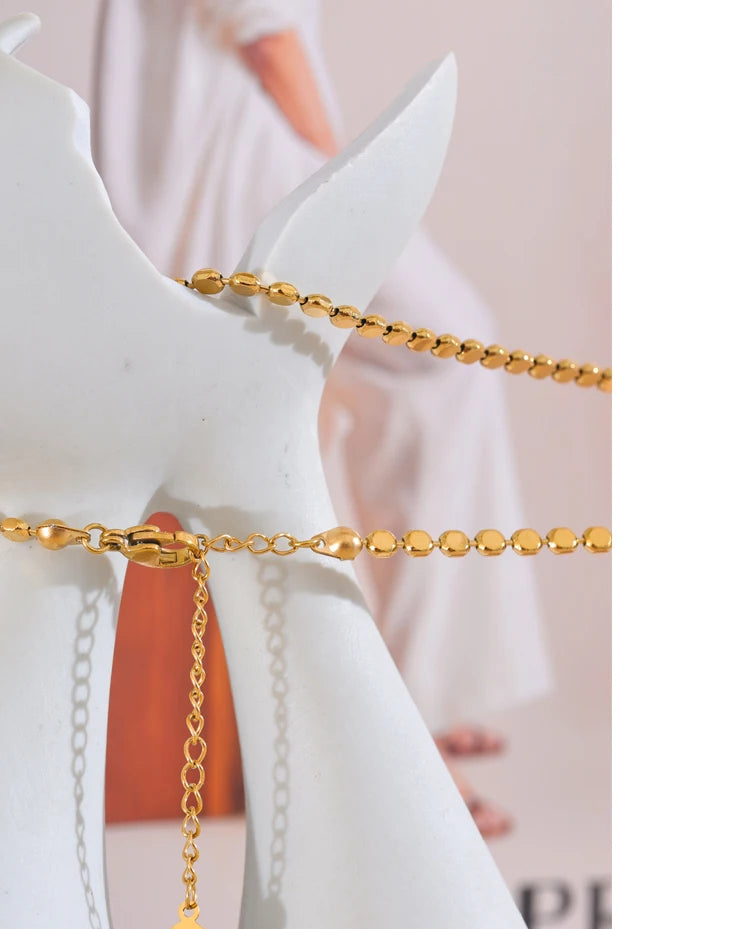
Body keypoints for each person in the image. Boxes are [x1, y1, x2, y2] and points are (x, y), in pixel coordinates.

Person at [92, 0, 554, 837]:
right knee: (448, 352)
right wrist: (356, 185)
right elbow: (267, 33)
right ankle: (409, 718)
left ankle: (412, 701)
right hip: (241, 166)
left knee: (363, 398)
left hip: (195, 178)